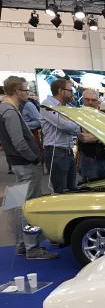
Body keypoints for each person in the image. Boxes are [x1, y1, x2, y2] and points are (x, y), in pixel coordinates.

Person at [0, 76, 57, 259]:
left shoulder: (5, 109)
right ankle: (32, 247)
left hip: (19, 164)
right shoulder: (10, 111)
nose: (28, 93)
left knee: (19, 204)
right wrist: (34, 158)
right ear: (17, 91)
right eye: (25, 90)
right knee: (29, 206)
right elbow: (19, 142)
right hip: (25, 164)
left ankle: (22, 244)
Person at [40, 78, 83, 193]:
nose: (73, 93)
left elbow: (71, 126)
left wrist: (75, 126)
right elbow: (64, 125)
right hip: (56, 152)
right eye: (70, 90)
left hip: (67, 151)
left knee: (72, 189)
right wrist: (80, 126)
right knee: (61, 191)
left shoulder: (65, 106)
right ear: (60, 91)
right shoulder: (47, 105)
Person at [77, 89, 105, 181]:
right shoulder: (78, 116)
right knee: (90, 186)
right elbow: (84, 138)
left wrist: (96, 137)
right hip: (89, 159)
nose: (90, 102)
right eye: (87, 99)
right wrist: (104, 137)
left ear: (98, 102)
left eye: (93, 100)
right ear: (83, 100)